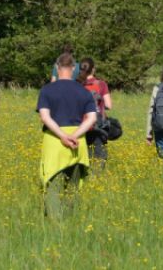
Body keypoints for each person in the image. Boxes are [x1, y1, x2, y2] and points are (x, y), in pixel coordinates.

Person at [37, 52, 97, 217]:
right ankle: (71, 220)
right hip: (78, 143)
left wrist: (62, 136)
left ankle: (55, 223)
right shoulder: (83, 91)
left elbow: (44, 117)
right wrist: (74, 135)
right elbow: (92, 118)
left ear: (57, 68)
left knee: (53, 186)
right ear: (74, 69)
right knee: (73, 187)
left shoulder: (46, 90)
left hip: (54, 142)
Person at [77, 57, 112, 167]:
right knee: (99, 156)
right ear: (93, 69)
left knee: (83, 154)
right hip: (98, 125)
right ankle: (97, 178)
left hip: (81, 125)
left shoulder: (77, 85)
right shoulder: (101, 84)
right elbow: (109, 105)